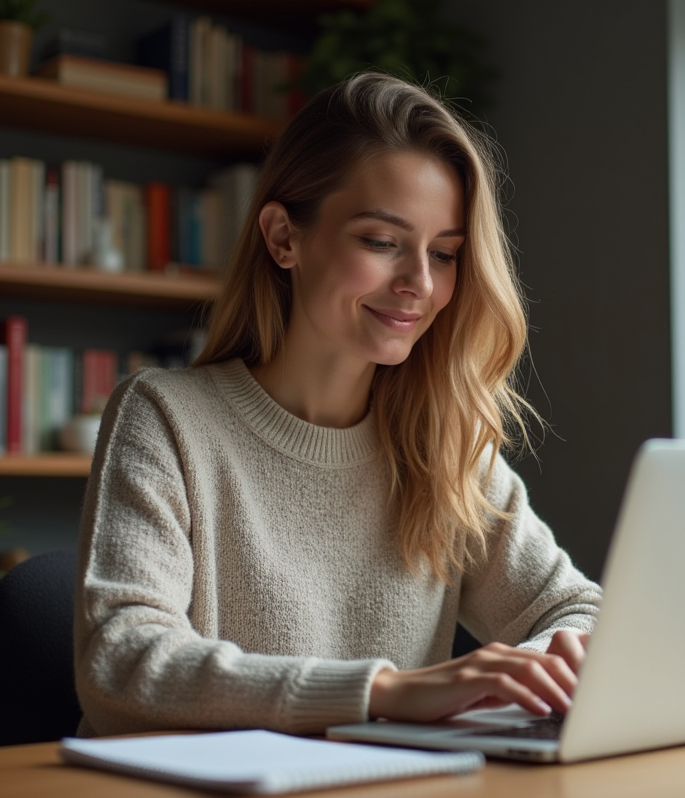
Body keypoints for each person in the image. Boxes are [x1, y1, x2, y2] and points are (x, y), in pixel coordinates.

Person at [73, 72, 602, 738]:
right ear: (283, 237)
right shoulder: (166, 417)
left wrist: (534, 669)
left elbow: (577, 610)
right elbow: (122, 663)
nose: (419, 284)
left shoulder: (441, 440)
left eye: (443, 253)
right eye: (382, 243)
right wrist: (383, 692)